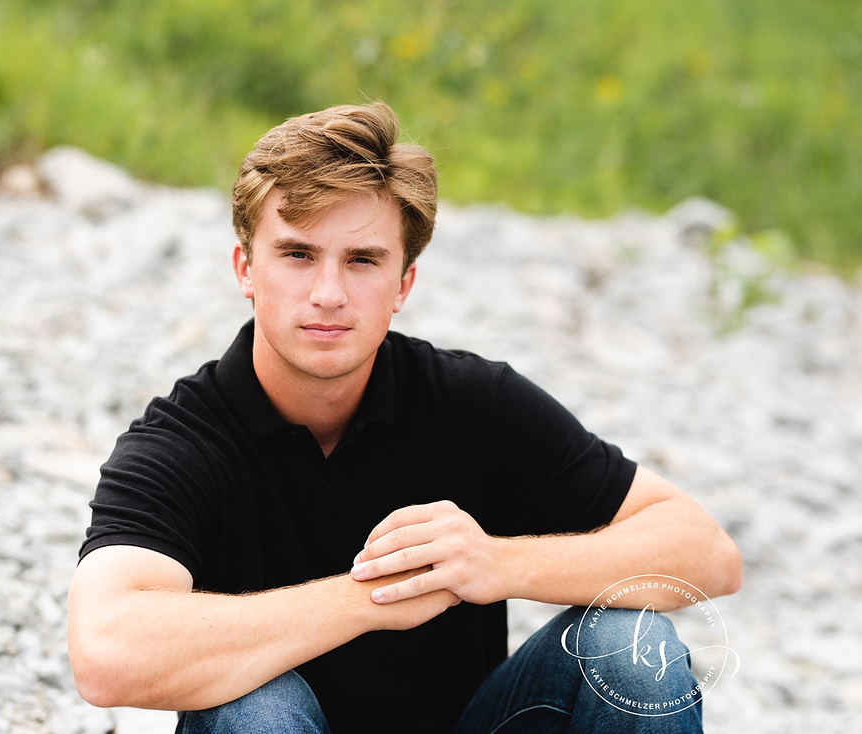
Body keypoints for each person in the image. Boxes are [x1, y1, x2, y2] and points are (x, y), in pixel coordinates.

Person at [67, 101, 742, 733]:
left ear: (403, 285)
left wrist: (495, 564)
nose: (328, 294)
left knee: (627, 645)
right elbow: (106, 651)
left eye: (363, 260)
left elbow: (705, 553)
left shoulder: (470, 402)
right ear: (247, 268)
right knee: (258, 706)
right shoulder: (183, 443)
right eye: (298, 254)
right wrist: (371, 598)